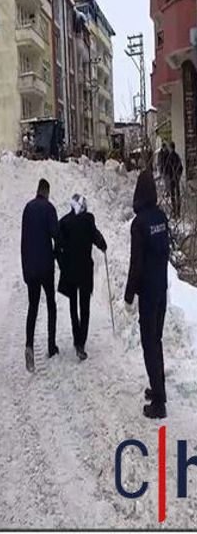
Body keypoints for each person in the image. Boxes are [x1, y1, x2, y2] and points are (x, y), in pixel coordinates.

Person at [124, 170, 170, 419]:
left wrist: (129, 295)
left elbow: (136, 263)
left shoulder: (139, 223)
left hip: (149, 294)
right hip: (161, 289)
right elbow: (166, 253)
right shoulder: (161, 217)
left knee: (149, 344)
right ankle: (158, 388)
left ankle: (159, 403)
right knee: (157, 340)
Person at [56, 193, 107, 361]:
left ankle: (76, 338)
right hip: (85, 271)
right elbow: (96, 237)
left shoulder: (64, 222)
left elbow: (58, 246)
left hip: (70, 272)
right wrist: (103, 245)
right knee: (84, 308)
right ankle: (81, 343)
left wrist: (63, 264)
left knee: (73, 306)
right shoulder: (87, 220)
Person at [21, 178, 59, 372]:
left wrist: (25, 269)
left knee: (33, 307)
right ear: (47, 191)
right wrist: (59, 255)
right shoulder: (49, 209)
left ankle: (29, 345)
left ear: (37, 190)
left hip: (30, 267)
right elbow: (56, 235)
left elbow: (23, 240)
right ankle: (51, 346)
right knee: (51, 304)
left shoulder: (27, 209)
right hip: (45, 267)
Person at [167, 141, 182, 219]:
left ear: (171, 148)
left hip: (172, 179)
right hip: (176, 179)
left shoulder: (170, 157)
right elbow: (181, 168)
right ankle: (178, 212)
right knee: (177, 195)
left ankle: (174, 212)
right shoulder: (177, 156)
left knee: (173, 196)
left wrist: (170, 177)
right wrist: (178, 176)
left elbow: (167, 168)